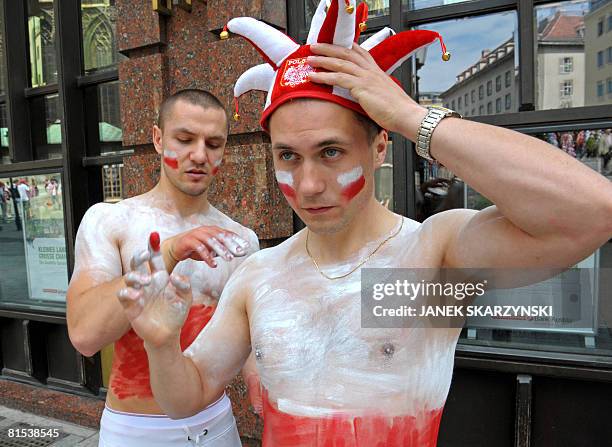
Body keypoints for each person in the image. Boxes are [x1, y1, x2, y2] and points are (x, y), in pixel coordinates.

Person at [116, 2, 612, 446]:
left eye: (330, 152)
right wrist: (161, 346)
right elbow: (190, 396)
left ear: (379, 147)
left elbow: (591, 213)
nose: (308, 184)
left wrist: (411, 117)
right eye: (288, 156)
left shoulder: (429, 259)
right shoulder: (259, 274)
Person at [66, 89, 261, 447]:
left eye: (214, 144)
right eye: (184, 139)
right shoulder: (111, 221)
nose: (199, 155)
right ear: (158, 139)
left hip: (216, 422)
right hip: (136, 429)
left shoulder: (239, 239)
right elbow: (84, 335)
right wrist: (165, 256)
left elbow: (247, 348)